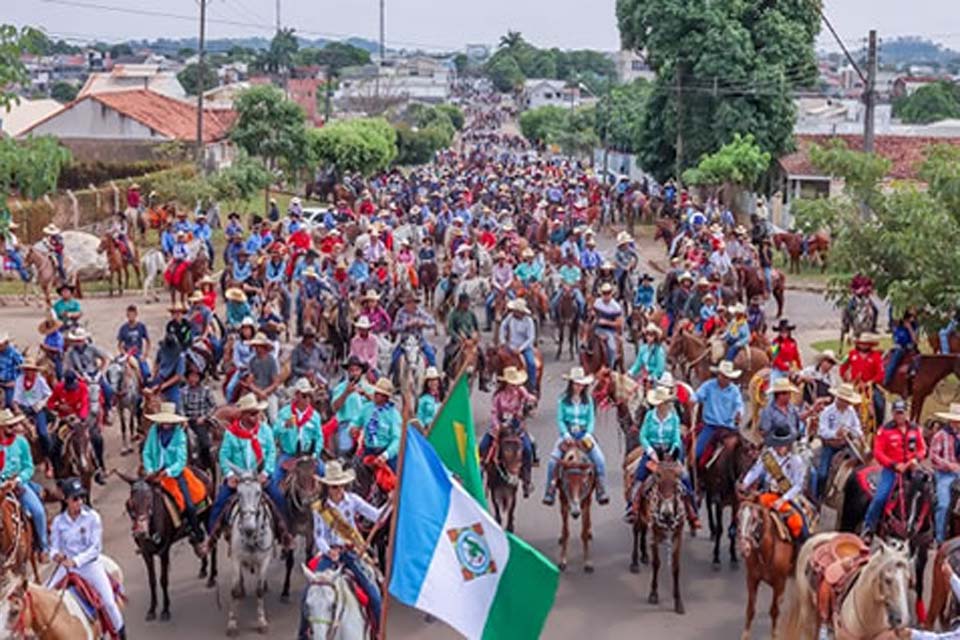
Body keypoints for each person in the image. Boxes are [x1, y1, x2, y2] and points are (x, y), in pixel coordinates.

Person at [301, 461, 385, 637]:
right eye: (333, 487)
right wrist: (328, 551)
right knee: (307, 594)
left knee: (375, 594)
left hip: (351, 552)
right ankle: (302, 634)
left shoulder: (353, 501)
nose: (338, 490)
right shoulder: (319, 508)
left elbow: (376, 515)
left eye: (340, 486)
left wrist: (391, 503)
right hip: (330, 554)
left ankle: (378, 632)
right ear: (327, 488)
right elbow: (319, 535)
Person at [204, 393, 291, 552]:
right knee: (219, 502)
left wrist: (266, 472)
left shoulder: (265, 430)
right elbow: (223, 456)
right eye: (252, 413)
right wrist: (230, 475)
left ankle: (284, 535)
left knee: (278, 498)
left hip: (259, 476)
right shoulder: (231, 433)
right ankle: (211, 539)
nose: (256, 416)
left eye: (257, 412)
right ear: (243, 415)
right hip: (239, 478)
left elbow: (271, 452)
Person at [47, 477, 125, 639]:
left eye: (81, 497)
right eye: (75, 498)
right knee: (45, 595)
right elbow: (53, 547)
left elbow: (95, 548)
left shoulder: (92, 517)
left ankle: (121, 634)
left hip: (89, 566)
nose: (80, 502)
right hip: (66, 566)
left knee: (109, 603)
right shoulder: (58, 522)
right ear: (66, 500)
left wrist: (76, 561)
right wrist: (56, 555)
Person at [627, 387, 699, 528]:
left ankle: (692, 512)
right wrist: (650, 451)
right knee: (639, 478)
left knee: (685, 479)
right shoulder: (649, 416)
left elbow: (676, 438)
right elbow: (643, 436)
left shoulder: (673, 418)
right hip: (652, 451)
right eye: (660, 403)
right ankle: (632, 507)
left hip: (669, 454)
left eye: (665, 402)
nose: (663, 405)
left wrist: (672, 451)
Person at [141, 402, 206, 547]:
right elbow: (147, 452)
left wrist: (168, 472)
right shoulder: (153, 431)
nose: (165, 423)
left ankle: (196, 531)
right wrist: (150, 469)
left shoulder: (180, 435)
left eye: (168, 421)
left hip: (174, 474)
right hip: (154, 473)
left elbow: (181, 460)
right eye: (163, 420)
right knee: (140, 498)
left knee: (189, 505)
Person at [862, 400, 926, 540]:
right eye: (897, 413)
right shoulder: (884, 430)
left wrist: (915, 460)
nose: (899, 417)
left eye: (902, 413)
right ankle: (868, 527)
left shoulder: (915, 429)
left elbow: (922, 448)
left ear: (906, 413)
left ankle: (925, 528)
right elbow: (878, 452)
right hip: (892, 470)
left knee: (926, 492)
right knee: (880, 497)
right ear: (893, 414)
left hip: (911, 468)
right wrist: (894, 465)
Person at [544, 367, 608, 505]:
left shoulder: (588, 400)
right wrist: (565, 434)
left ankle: (601, 489)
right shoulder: (563, 400)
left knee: (600, 460)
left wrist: (588, 434)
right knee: (552, 462)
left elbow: (591, 419)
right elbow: (560, 419)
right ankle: (550, 490)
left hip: (584, 434)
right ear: (571, 384)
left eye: (580, 384)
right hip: (568, 434)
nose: (578, 387)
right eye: (575, 384)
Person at [737, 424, 810, 542]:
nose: (779, 447)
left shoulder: (796, 460)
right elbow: (756, 470)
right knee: (747, 515)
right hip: (767, 494)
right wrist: (745, 483)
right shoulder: (768, 455)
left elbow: (798, 485)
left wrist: (783, 499)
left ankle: (800, 548)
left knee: (798, 522)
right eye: (777, 444)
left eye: (782, 444)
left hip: (786, 497)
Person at [479, 366, 537, 497]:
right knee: (483, 446)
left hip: (516, 426)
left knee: (528, 447)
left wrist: (530, 403)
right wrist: (497, 425)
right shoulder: (498, 396)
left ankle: (527, 480)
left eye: (516, 384)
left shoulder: (521, 391)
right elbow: (494, 413)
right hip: (500, 425)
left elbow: (531, 398)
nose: (514, 386)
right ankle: (481, 474)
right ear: (505, 383)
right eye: (511, 384)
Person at [0, 409, 49, 561]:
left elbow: (29, 466)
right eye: (9, 426)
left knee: (38, 511)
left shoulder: (21, 442)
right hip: (1, 487)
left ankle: (43, 546)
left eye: (13, 425)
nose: (13, 428)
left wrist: (18, 480)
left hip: (19, 484)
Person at [271, 378, 324, 515]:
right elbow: (274, 432)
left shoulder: (315, 416)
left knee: (323, 474)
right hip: (289, 455)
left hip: (308, 454)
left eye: (309, 396)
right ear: (297, 396)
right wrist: (284, 426)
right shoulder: (285, 413)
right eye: (304, 396)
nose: (307, 399)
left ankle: (323, 512)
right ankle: (281, 516)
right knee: (275, 481)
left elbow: (319, 438)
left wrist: (315, 454)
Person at [813, 383, 863, 502]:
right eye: (844, 400)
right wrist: (836, 434)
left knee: (861, 465)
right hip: (830, 446)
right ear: (838, 398)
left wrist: (855, 434)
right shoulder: (828, 411)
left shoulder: (850, 411)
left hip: (846, 444)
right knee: (822, 474)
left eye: (847, 401)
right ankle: (818, 496)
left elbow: (857, 427)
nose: (846, 404)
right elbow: (822, 430)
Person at [694, 361, 744, 464]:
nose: (725, 379)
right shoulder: (708, 386)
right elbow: (697, 395)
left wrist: (739, 413)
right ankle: (694, 475)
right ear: (718, 375)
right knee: (696, 452)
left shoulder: (734, 390)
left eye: (728, 377)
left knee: (746, 452)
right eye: (723, 376)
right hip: (711, 426)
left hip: (729, 427)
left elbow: (739, 404)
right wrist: (693, 400)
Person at [13, 357, 52, 472]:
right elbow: (16, 399)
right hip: (23, 409)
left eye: (30, 370)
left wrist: (40, 404)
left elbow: (49, 394)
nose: (28, 372)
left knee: (43, 433)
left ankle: (48, 459)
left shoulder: (40, 380)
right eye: (26, 370)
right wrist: (17, 409)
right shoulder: (20, 380)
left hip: (37, 409)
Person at [840, 332, 886, 428]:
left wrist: (871, 382)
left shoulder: (876, 356)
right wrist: (846, 378)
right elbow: (843, 367)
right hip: (854, 384)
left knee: (879, 403)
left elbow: (881, 373)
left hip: (870, 386)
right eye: (862, 343)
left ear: (870, 345)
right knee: (841, 400)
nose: (864, 345)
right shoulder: (851, 354)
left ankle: (878, 427)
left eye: (866, 343)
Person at [355, 378, 402, 470]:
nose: (376, 396)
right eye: (376, 393)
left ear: (386, 397)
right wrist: (353, 428)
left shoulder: (394, 415)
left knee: (391, 479)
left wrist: (386, 455)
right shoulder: (366, 408)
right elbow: (356, 422)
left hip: (385, 451)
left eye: (379, 394)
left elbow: (397, 439)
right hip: (368, 450)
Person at [931, 403, 960, 543]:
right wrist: (950, 465)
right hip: (945, 474)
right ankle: (939, 538)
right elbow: (934, 456)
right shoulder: (940, 436)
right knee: (943, 504)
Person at [330, 356, 370, 456]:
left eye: (357, 370)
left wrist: (366, 394)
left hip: (364, 425)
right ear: (348, 372)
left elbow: (378, 404)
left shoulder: (367, 387)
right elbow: (334, 408)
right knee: (344, 449)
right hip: (346, 423)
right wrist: (346, 393)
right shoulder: (340, 388)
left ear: (361, 371)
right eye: (351, 370)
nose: (354, 373)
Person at [391, 292, 437, 374]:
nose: (409, 305)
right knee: (394, 358)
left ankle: (432, 377)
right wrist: (406, 325)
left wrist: (423, 323)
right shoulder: (400, 312)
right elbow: (394, 327)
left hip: (419, 341)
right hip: (405, 342)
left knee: (431, 355)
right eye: (407, 302)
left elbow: (432, 322)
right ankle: (395, 378)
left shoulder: (420, 312)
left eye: (411, 302)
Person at [499, 298, 538, 394]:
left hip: (524, 347)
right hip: (511, 346)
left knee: (531, 363)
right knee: (497, 359)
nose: (514, 312)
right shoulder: (510, 317)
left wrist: (520, 349)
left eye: (516, 311)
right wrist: (503, 341)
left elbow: (531, 338)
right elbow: (503, 326)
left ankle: (532, 385)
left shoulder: (528, 321)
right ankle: (498, 381)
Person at [593, 282, 624, 369]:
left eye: (608, 293)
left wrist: (606, 322)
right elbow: (593, 314)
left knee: (612, 348)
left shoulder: (616, 307)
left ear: (611, 294)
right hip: (597, 328)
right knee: (585, 344)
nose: (606, 296)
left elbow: (619, 323)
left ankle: (610, 367)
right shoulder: (597, 303)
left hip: (610, 330)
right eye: (604, 293)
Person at [116, 304, 151, 381]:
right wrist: (124, 353)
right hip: (127, 353)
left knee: (145, 370)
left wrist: (145, 354)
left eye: (132, 314)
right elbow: (119, 345)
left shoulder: (141, 326)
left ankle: (146, 383)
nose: (131, 316)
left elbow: (148, 341)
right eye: (129, 314)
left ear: (136, 314)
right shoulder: (123, 328)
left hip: (137, 352)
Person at [885, 310, 919, 387]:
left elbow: (915, 341)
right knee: (894, 360)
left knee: (919, 359)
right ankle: (886, 379)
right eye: (910, 317)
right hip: (900, 347)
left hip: (912, 347)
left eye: (913, 317)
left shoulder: (914, 325)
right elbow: (898, 340)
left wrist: (910, 328)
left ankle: (914, 376)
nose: (912, 319)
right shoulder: (898, 326)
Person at [148, 334, 185, 405]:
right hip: (159, 378)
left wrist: (162, 386)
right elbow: (157, 362)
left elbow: (178, 376)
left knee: (175, 403)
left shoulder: (180, 356)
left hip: (172, 383)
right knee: (142, 400)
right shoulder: (161, 350)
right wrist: (153, 375)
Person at [770, 318, 802, 385]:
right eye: (782, 331)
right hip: (778, 369)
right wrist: (785, 367)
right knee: (773, 385)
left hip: (791, 368)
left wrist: (800, 367)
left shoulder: (793, 342)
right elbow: (775, 357)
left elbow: (796, 356)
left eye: (785, 331)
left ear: (789, 331)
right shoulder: (775, 342)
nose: (784, 333)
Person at [0, 333, 23, 408]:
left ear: (6, 344)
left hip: (11, 383)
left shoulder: (14, 353)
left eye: (1, 345)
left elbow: (23, 368)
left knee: (10, 403)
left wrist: (16, 382)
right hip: (1, 382)